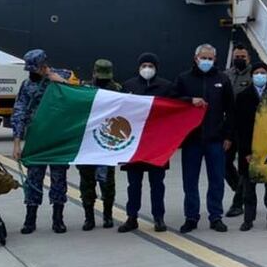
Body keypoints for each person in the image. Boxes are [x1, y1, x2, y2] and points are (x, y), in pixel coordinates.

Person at [172, 44, 235, 233]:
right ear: (195, 57)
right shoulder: (184, 79)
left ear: (214, 59)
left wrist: (229, 136)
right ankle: (191, 217)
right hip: (192, 140)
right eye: (203, 57)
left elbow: (231, 110)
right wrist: (189, 100)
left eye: (209, 58)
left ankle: (215, 216)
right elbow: (172, 100)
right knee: (190, 181)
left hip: (215, 139)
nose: (206, 61)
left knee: (216, 179)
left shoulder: (222, 79)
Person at [12, 49, 70, 234]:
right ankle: (30, 219)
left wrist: (56, 79)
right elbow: (20, 112)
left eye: (35, 69)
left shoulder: (62, 77)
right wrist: (16, 142)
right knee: (33, 178)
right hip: (36, 138)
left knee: (59, 178)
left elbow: (75, 95)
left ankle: (58, 219)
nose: (31, 73)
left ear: (44, 65)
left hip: (57, 138)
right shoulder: (27, 85)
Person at [118, 53, 171, 233]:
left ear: (156, 67)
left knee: (157, 184)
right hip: (134, 143)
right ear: (139, 67)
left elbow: (176, 106)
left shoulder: (165, 86)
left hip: (157, 144)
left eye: (150, 65)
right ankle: (132, 217)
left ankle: (159, 217)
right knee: (134, 184)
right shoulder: (128, 86)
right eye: (144, 65)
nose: (147, 68)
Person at [235, 63, 267, 231]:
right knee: (249, 187)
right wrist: (246, 151)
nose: (260, 75)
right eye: (257, 73)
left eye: (263, 73)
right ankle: (248, 219)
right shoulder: (243, 96)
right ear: (252, 76)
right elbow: (240, 127)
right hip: (250, 148)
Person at [77, 59, 121, 231]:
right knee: (87, 182)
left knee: (107, 182)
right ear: (94, 73)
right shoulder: (85, 89)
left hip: (106, 143)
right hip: (88, 143)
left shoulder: (117, 89)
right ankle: (89, 218)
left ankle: (108, 216)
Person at [223, 42, 252, 218]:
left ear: (248, 58)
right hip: (229, 126)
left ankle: (238, 202)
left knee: (244, 166)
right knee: (224, 163)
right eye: (237, 57)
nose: (239, 59)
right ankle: (238, 191)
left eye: (243, 57)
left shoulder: (255, 75)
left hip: (246, 127)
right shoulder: (226, 75)